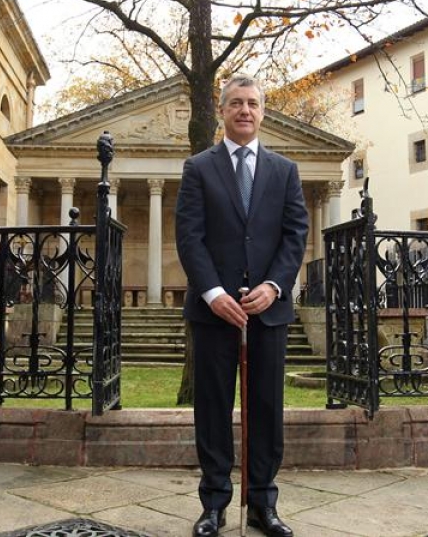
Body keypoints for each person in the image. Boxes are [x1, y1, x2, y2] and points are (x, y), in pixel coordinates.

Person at [175, 74, 309, 537]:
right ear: (223, 111)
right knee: (212, 408)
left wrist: (274, 285)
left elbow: (296, 236)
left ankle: (262, 504)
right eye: (236, 103)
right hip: (215, 312)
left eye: (252, 103)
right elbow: (189, 238)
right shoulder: (198, 168)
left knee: (267, 409)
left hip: (267, 311)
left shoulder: (284, 170)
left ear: (263, 111)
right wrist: (213, 293)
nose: (245, 111)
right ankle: (213, 504)